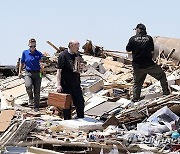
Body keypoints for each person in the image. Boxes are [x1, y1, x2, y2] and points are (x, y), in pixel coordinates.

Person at [126, 23, 170, 102]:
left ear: (138, 29)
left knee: (137, 83)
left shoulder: (132, 39)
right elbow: (152, 52)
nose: (135, 31)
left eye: (136, 30)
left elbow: (128, 49)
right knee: (162, 75)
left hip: (137, 66)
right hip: (149, 64)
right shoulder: (149, 38)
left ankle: (135, 99)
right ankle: (166, 93)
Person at [56, 40, 85, 120]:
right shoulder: (63, 55)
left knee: (80, 103)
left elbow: (81, 69)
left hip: (76, 84)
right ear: (71, 46)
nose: (78, 48)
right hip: (66, 84)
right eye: (76, 47)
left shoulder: (78, 55)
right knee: (66, 106)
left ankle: (81, 119)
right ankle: (67, 120)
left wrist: (82, 67)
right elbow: (59, 71)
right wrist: (58, 85)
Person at [18, 38, 43, 112]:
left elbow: (43, 62)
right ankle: (30, 98)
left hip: (38, 73)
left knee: (37, 90)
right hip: (28, 72)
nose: (32, 48)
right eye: (31, 46)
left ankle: (36, 107)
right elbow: (22, 62)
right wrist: (19, 72)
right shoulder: (25, 53)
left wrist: (43, 65)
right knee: (28, 85)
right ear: (28, 45)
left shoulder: (39, 54)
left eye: (34, 46)